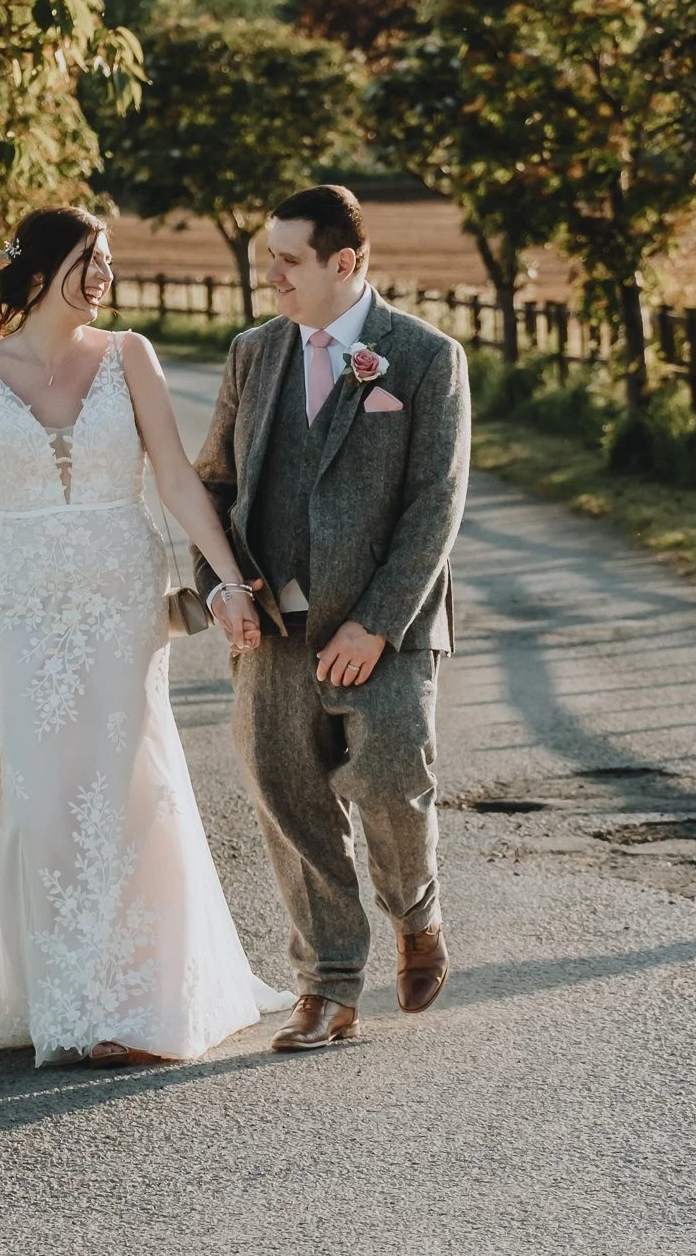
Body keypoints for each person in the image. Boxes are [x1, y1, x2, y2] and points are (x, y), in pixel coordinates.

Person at [0, 205, 291, 1067]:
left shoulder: (130, 356)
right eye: (89, 258)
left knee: (125, 777)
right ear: (41, 272)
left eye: (109, 258)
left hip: (122, 593)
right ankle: (63, 993)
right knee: (46, 788)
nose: (106, 273)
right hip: (25, 602)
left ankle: (138, 995)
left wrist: (226, 579)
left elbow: (181, 482)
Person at [192, 185, 472, 1052]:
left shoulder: (423, 358)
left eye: (288, 259)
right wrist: (220, 586)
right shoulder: (251, 355)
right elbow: (212, 488)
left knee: (392, 781)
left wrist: (379, 622)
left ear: (344, 262)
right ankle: (328, 987)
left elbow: (437, 503)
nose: (268, 273)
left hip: (384, 630)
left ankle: (415, 914)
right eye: (267, 255)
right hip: (272, 631)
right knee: (290, 803)